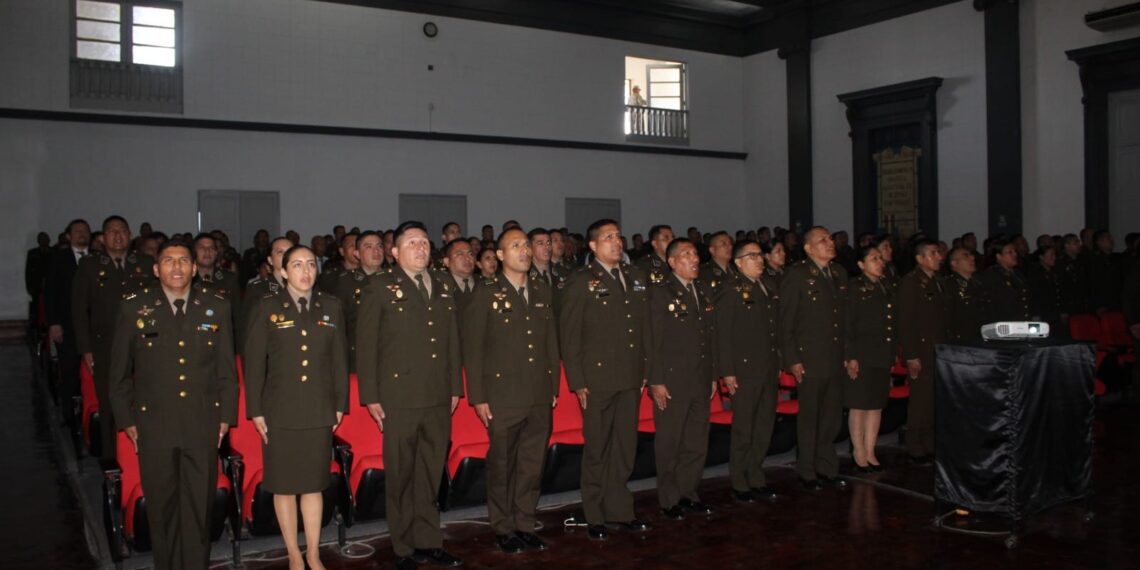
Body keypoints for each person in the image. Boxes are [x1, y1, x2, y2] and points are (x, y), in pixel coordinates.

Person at [107, 239, 238, 570]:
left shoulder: (216, 306)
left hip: (201, 422)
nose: (176, 267)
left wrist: (225, 417)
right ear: (156, 269)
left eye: (183, 261)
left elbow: (226, 370)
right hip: (154, 424)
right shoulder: (134, 307)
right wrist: (127, 420)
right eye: (168, 260)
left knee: (198, 508)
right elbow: (118, 374)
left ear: (194, 269)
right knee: (162, 509)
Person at [356, 221, 464, 569]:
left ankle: (429, 541)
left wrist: (455, 386)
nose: (421, 248)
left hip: (437, 394)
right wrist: (371, 395)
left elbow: (451, 339)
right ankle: (403, 547)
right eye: (413, 242)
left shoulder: (442, 284)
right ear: (395, 251)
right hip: (398, 396)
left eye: (425, 242)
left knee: (430, 473)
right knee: (401, 475)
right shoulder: (379, 286)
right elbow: (367, 345)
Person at [244, 245, 348, 570]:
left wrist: (340, 404)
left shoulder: (330, 306)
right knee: (285, 486)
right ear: (283, 271)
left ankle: (313, 553)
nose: (306, 271)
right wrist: (255, 410)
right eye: (297, 265)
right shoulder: (267, 306)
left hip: (318, 407)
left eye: (311, 264)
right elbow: (254, 363)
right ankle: (293, 554)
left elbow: (339, 361)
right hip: (280, 409)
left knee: (314, 484)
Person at [461, 228, 560, 554]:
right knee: (502, 463)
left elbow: (549, 340)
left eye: (526, 245)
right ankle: (503, 527)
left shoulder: (541, 289)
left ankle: (524, 522)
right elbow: (474, 348)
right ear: (501, 255)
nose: (525, 250)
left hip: (538, 391)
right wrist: (478, 396)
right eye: (516, 246)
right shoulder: (486, 292)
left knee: (532, 463)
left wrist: (553, 385)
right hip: (503, 394)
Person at [559, 219, 652, 540]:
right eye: (608, 237)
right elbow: (570, 334)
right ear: (593, 246)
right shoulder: (581, 281)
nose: (617, 242)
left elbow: (643, 328)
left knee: (624, 447)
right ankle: (594, 513)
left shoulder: (635, 277)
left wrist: (645, 369)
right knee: (598, 448)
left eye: (618, 236)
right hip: (597, 378)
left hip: (629, 375)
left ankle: (620, 511)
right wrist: (577, 380)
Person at [72, 215, 156, 459]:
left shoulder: (144, 262)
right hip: (105, 346)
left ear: (130, 236)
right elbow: (79, 309)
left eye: (122, 231)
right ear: (102, 237)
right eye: (112, 231)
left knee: (146, 401)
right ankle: (112, 461)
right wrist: (85, 349)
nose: (118, 236)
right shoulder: (90, 265)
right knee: (110, 404)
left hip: (143, 346)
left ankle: (144, 456)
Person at [648, 238, 718, 520]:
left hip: (700, 377)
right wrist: (655, 380)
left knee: (696, 442)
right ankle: (669, 499)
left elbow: (710, 338)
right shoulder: (661, 292)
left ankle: (689, 493)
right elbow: (652, 340)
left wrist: (713, 375)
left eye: (695, 254)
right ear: (672, 262)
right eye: (686, 254)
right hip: (672, 380)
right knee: (670, 442)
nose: (694, 259)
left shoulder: (703, 290)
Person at [778, 226, 848, 490]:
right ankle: (807, 470)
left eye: (830, 239)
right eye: (822, 240)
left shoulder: (839, 273)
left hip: (834, 356)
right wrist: (792, 358)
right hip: (809, 357)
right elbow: (786, 321)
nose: (830, 243)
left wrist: (848, 354)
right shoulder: (797, 275)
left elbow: (844, 319)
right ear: (808, 248)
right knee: (810, 417)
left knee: (831, 417)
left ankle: (827, 467)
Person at [716, 239, 780, 503]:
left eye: (760, 255)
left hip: (768, 366)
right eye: (752, 256)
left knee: (764, 424)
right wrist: (728, 371)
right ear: (739, 263)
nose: (759, 260)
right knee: (744, 427)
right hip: (744, 369)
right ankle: (739, 480)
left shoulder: (768, 287)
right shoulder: (731, 290)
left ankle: (756, 475)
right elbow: (723, 334)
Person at [843, 245, 895, 473]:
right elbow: (847, 324)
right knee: (860, 404)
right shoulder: (855, 287)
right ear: (861, 265)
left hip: (881, 353)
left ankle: (871, 450)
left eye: (880, 258)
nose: (880, 262)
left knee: (876, 405)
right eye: (874, 259)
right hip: (862, 353)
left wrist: (892, 353)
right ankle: (858, 451)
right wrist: (850, 356)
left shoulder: (886, 285)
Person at [898, 240, 947, 464]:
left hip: (938, 348)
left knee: (933, 399)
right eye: (933, 253)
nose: (939, 257)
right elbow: (906, 322)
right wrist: (910, 355)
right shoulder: (911, 283)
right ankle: (914, 443)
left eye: (938, 253)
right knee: (920, 400)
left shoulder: (938, 281)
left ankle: (929, 441)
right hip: (921, 349)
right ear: (920, 259)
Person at [47, 219, 91, 422]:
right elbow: (51, 292)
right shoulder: (59, 258)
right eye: (77, 231)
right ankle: (69, 416)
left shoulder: (97, 257)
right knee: (70, 370)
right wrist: (54, 323)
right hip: (67, 325)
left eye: (85, 230)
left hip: (92, 325)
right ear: (68, 236)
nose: (82, 234)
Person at [335, 231, 387, 372]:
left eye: (379, 246)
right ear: (357, 254)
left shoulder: (394, 280)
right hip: (359, 354)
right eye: (368, 247)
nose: (376, 251)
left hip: (389, 353)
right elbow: (339, 323)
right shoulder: (346, 282)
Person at [239, 237, 294, 350]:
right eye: (280, 252)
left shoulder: (306, 286)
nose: (286, 256)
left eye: (290, 252)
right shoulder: (258, 289)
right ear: (270, 260)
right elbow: (248, 329)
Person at [192, 233, 241, 332]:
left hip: (222, 332)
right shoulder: (186, 279)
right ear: (194, 252)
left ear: (216, 253)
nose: (207, 251)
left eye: (211, 248)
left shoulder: (229, 279)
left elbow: (237, 314)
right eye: (202, 248)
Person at [977, 238, 1030, 322]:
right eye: (1010, 252)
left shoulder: (1018, 273)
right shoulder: (992, 275)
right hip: (1004, 322)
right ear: (999, 256)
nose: (1015, 254)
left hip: (1021, 320)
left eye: (1015, 251)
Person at [943, 246, 985, 343]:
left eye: (971, 255)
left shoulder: (979, 283)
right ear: (954, 263)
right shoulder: (949, 285)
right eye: (966, 256)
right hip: (961, 340)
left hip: (981, 337)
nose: (972, 258)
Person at [1026, 245, 1064, 333]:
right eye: (1051, 255)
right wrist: (1036, 315)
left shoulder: (1054, 272)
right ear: (1041, 257)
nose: (1054, 258)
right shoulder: (1035, 273)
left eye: (1054, 255)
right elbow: (1034, 296)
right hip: (1043, 313)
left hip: (1054, 313)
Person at [442, 238, 479, 315]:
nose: (467, 258)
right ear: (447, 261)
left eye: (470, 254)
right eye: (460, 254)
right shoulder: (439, 287)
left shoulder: (485, 285)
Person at [699, 231, 737, 302]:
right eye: (723, 244)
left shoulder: (736, 268)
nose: (730, 247)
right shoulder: (704, 272)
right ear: (712, 250)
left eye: (730, 243)